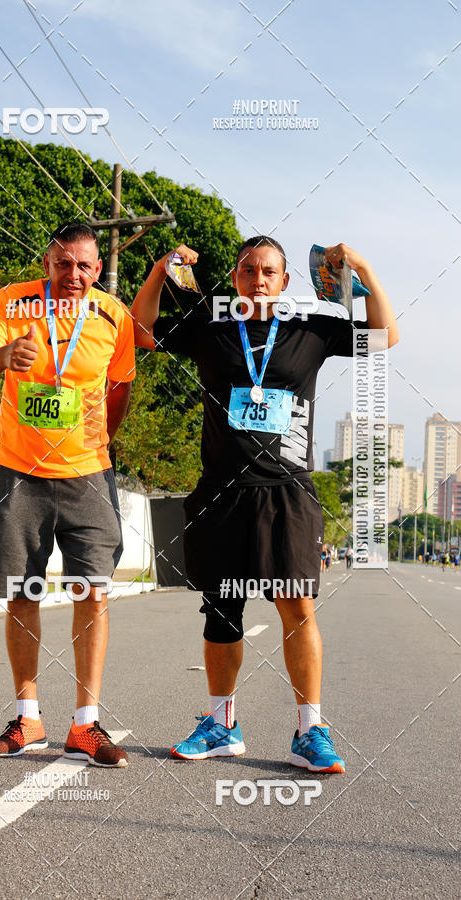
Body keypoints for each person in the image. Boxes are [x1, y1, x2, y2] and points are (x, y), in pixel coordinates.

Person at [132, 236, 398, 774]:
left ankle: (310, 730)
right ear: (235, 277)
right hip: (221, 494)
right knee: (223, 613)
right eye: (248, 270)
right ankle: (221, 725)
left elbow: (385, 335)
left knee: (297, 610)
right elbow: (140, 332)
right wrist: (162, 271)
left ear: (284, 281)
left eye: (268, 272)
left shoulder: (312, 329)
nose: (258, 280)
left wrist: (363, 269)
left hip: (288, 494)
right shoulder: (210, 329)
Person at [0, 223, 135, 766]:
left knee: (93, 592)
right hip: (18, 473)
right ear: (48, 263)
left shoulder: (113, 315)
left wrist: (102, 439)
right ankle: (28, 718)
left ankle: (86, 725)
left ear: (98, 270)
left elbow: (120, 385)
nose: (75, 276)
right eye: (65, 264)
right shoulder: (11, 303)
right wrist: (3, 358)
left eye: (86, 266)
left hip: (89, 474)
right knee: (22, 592)